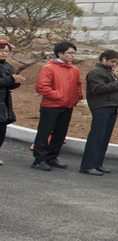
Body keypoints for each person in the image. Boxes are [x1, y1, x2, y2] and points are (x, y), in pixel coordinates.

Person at [31, 41, 82, 172]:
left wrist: (77, 97)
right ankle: (39, 159)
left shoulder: (74, 69)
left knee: (60, 133)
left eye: (73, 53)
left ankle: (52, 157)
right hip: (51, 106)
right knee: (44, 133)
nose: (72, 56)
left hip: (67, 106)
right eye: (70, 53)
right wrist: (59, 96)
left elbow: (78, 85)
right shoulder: (48, 68)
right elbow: (42, 87)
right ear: (60, 54)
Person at [80, 49, 118, 175]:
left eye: (116, 62)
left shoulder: (109, 72)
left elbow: (113, 88)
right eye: (112, 61)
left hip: (111, 106)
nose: (114, 64)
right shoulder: (95, 72)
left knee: (104, 137)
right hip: (101, 107)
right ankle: (88, 165)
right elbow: (98, 89)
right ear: (104, 59)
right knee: (96, 137)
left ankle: (98, 163)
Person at [0, 39, 26, 166]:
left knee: (1, 130)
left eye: (6, 51)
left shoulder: (8, 66)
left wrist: (16, 82)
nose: (4, 53)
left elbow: (9, 84)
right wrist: (11, 79)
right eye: (1, 50)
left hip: (3, 102)